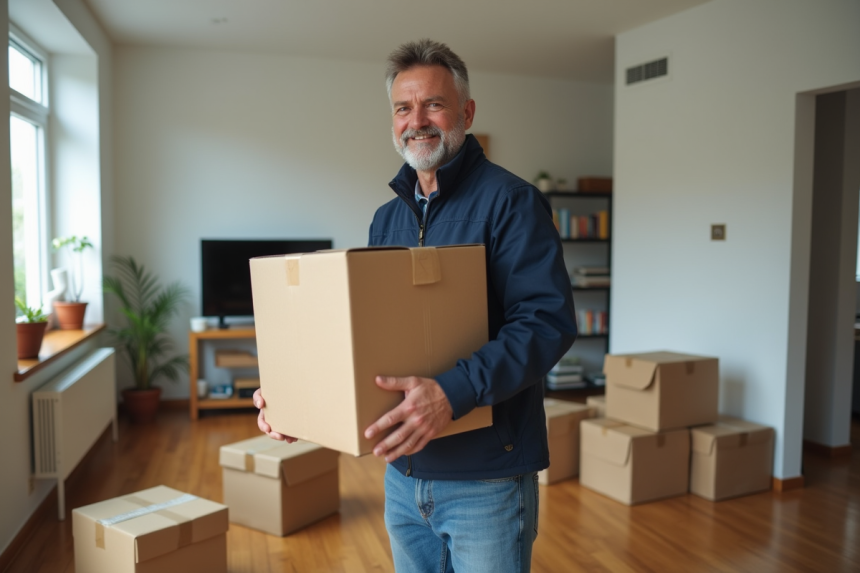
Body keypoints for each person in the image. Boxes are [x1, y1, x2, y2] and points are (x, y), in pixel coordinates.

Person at [255, 39, 577, 573]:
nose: (417, 120)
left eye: (434, 104)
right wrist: (300, 403)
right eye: (403, 108)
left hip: (486, 479)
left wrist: (449, 394)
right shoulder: (387, 219)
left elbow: (545, 323)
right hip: (403, 478)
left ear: (466, 113)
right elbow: (366, 338)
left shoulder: (512, 202)